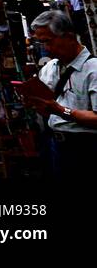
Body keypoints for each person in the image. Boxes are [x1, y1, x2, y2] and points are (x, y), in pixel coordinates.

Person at [25, 10, 97, 176]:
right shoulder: (50, 68)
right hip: (54, 144)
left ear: (69, 37)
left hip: (86, 148)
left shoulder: (93, 70)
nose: (45, 49)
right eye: (41, 43)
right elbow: (46, 108)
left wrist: (60, 110)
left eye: (48, 42)